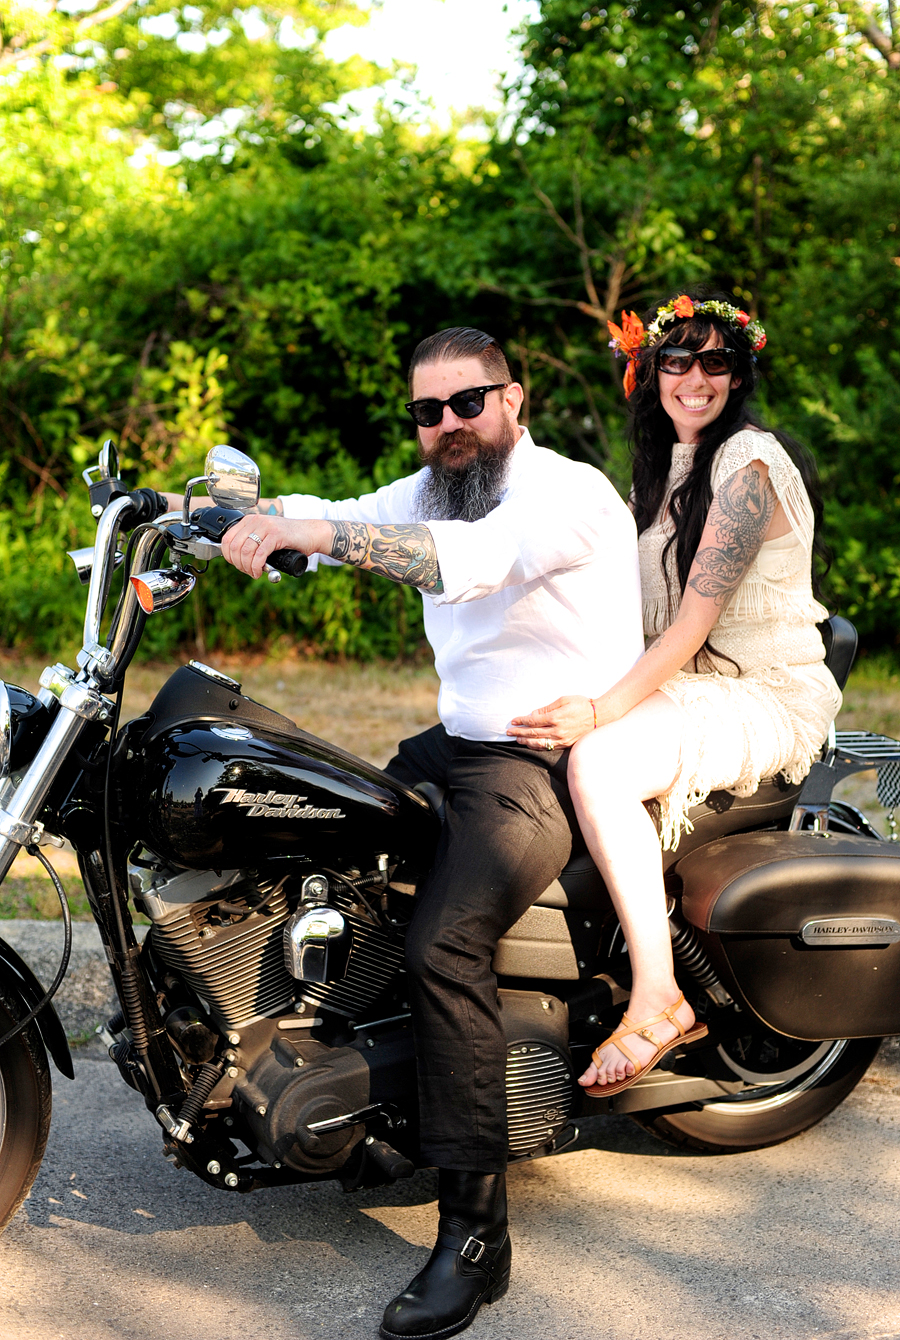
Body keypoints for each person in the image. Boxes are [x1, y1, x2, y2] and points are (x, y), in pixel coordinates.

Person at [212, 328, 645, 1339]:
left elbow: (468, 563)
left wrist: (311, 539)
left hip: (546, 757)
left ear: (515, 398)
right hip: (456, 743)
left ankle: (478, 1232)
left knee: (442, 942)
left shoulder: (564, 494)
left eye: (468, 402)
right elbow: (328, 510)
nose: (448, 425)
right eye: (428, 411)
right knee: (306, 833)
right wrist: (183, 511)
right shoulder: (427, 487)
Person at [507, 293, 842, 1099]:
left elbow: (692, 620)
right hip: (698, 685)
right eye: (677, 360)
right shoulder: (656, 476)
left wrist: (602, 710)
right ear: (649, 374)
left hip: (768, 691)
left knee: (598, 758)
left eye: (715, 361)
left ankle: (661, 998)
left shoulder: (748, 465)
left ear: (739, 374)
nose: (695, 377)